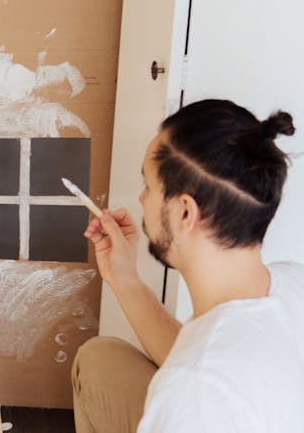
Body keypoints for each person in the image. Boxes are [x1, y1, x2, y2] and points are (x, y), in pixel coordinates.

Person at [71, 99, 304, 432]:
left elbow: (201, 374)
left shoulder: (192, 393)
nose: (141, 200)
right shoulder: (293, 282)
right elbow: (203, 356)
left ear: (184, 212)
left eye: (148, 187)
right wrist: (126, 280)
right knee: (101, 361)